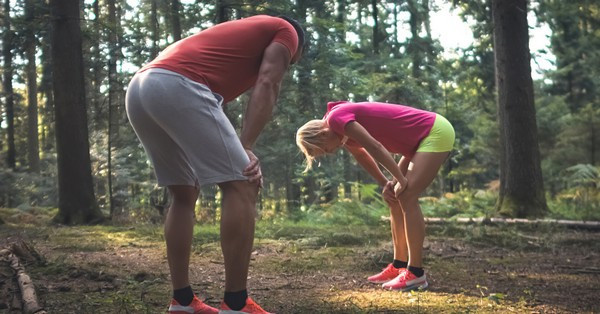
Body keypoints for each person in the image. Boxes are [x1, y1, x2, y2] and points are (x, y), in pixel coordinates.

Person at [125, 15, 304, 314]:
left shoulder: (235, 45)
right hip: (176, 83)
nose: (290, 63)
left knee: (184, 193)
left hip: (142, 88)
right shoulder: (285, 31)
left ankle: (182, 301)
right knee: (244, 183)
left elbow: (210, 111)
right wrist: (246, 146)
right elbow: (268, 82)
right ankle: (236, 304)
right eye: (293, 61)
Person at [296, 100, 454, 291]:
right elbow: (362, 155)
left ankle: (416, 273)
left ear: (321, 135)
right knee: (394, 197)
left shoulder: (336, 119)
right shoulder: (341, 131)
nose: (330, 153)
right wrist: (385, 183)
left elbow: (375, 146)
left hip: (434, 132)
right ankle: (399, 265)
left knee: (406, 195)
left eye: (324, 150)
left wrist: (399, 178)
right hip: (419, 141)